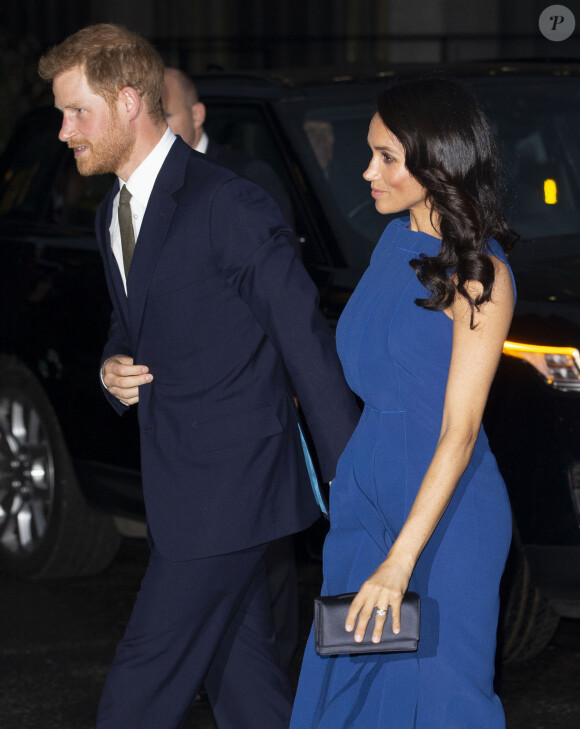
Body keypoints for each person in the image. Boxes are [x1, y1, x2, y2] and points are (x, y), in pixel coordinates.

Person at [38, 23, 360, 729]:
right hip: (181, 490)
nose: (63, 131)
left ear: (128, 103)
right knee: (247, 691)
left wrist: (357, 479)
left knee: (137, 690)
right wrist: (109, 367)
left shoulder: (228, 203)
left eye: (76, 112)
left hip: (230, 494)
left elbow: (303, 338)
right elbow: (134, 322)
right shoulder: (112, 213)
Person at [290, 76, 518, 729]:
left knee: (442, 701)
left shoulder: (478, 274)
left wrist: (401, 560)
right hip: (368, 503)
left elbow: (459, 430)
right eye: (370, 152)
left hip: (443, 521)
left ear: (436, 158)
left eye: (386, 156)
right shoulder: (393, 245)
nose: (367, 170)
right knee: (345, 694)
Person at [162, 64, 300, 674]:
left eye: (169, 113)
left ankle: (279, 669)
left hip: (248, 407)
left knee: (268, 562)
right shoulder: (140, 191)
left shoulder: (243, 181)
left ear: (197, 117)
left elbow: (281, 299)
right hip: (185, 424)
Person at [162, 66, 295, 231]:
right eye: (150, 119)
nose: (157, 129)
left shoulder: (247, 176)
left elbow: (278, 252)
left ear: (196, 115)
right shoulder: (139, 178)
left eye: (165, 116)